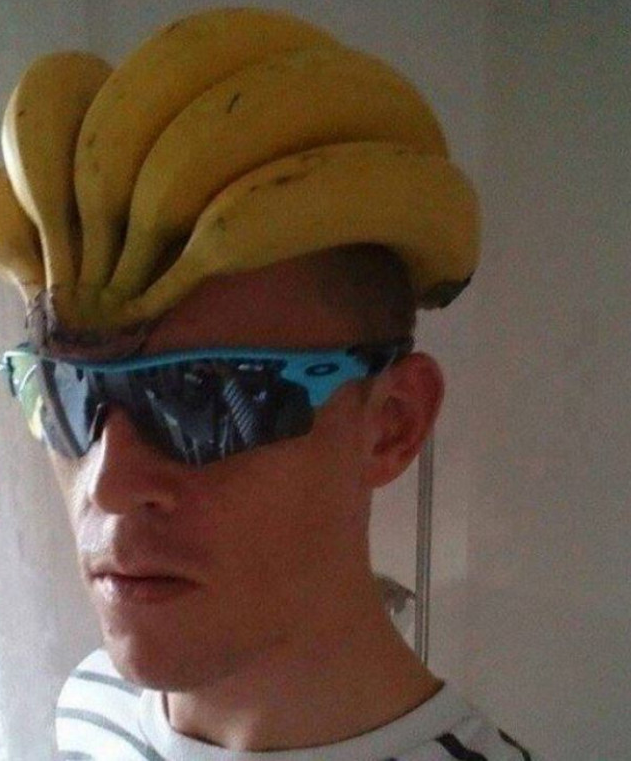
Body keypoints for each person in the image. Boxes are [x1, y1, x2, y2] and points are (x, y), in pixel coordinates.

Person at [39, 246, 535, 760]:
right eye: (65, 390)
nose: (109, 487)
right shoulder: (92, 706)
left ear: (392, 424)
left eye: (209, 396)